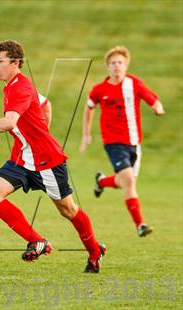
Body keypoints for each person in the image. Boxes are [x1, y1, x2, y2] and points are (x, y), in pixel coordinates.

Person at [0, 40, 105, 273]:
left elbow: (9, 122)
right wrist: (38, 133)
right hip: (23, 159)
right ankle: (37, 241)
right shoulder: (13, 85)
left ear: (16, 63)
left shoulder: (20, 87)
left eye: (0, 62)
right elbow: (47, 105)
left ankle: (94, 251)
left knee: (68, 210)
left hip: (47, 162)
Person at [80, 46, 165, 237]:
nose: (116, 66)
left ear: (126, 66)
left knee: (125, 183)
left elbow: (152, 99)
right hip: (113, 142)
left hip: (134, 142)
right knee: (128, 180)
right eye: (113, 63)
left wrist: (158, 107)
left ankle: (101, 181)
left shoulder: (133, 84)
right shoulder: (99, 90)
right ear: (108, 67)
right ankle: (140, 225)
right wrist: (86, 134)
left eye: (120, 63)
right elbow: (88, 108)